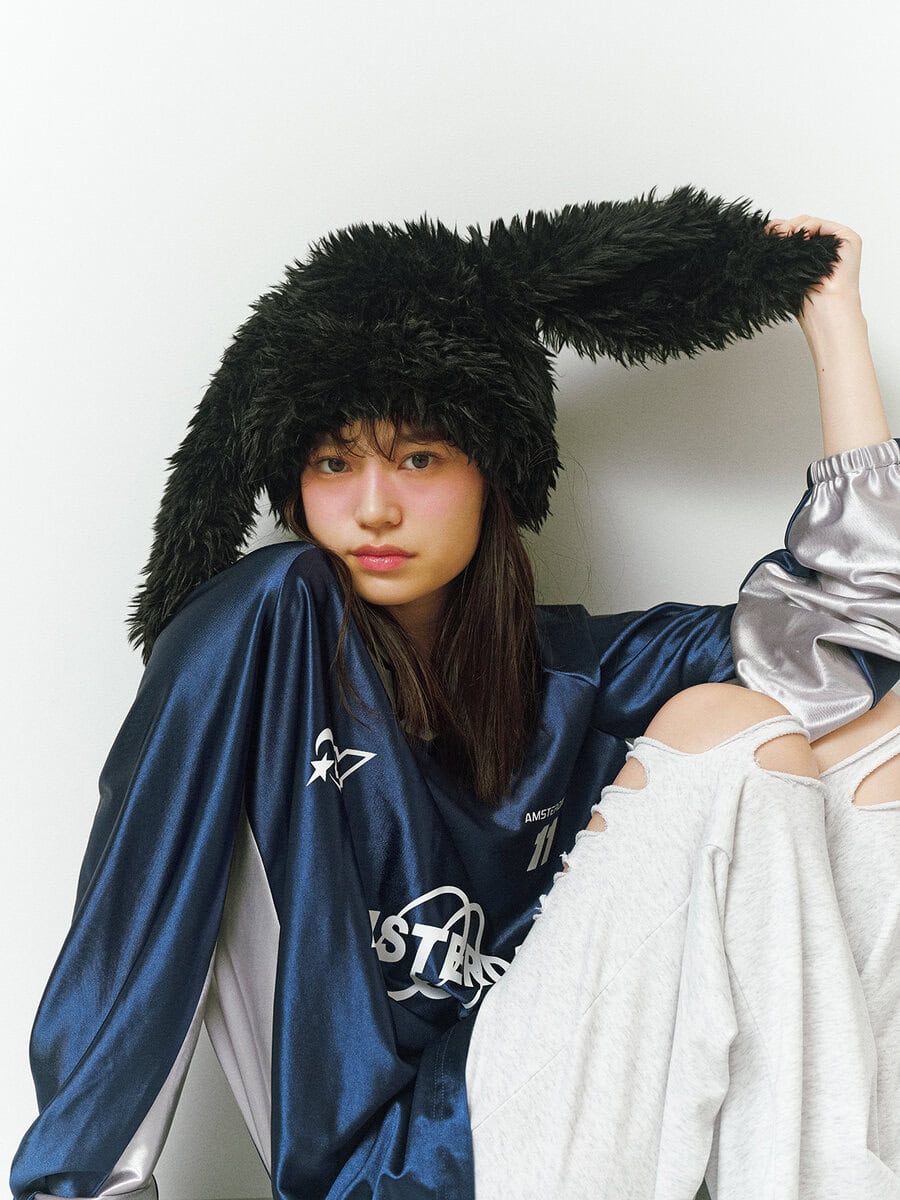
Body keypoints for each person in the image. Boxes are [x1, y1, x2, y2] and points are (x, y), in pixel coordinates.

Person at [8, 188, 900, 1200]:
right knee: (723, 721)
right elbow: (135, 925)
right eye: (333, 462)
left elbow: (856, 624)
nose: (373, 508)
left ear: (494, 476)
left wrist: (833, 323)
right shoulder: (269, 622)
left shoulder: (575, 672)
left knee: (872, 739)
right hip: (384, 1174)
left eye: (419, 457)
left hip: (571, 1135)